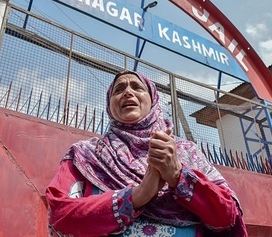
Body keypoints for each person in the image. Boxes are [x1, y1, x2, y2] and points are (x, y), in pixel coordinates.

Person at [46, 71, 247, 236]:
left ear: (153, 101)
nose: (127, 93)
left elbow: (228, 217)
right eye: (119, 89)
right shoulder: (87, 155)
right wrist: (138, 195)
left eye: (137, 87)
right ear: (110, 105)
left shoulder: (186, 152)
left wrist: (178, 176)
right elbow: (60, 215)